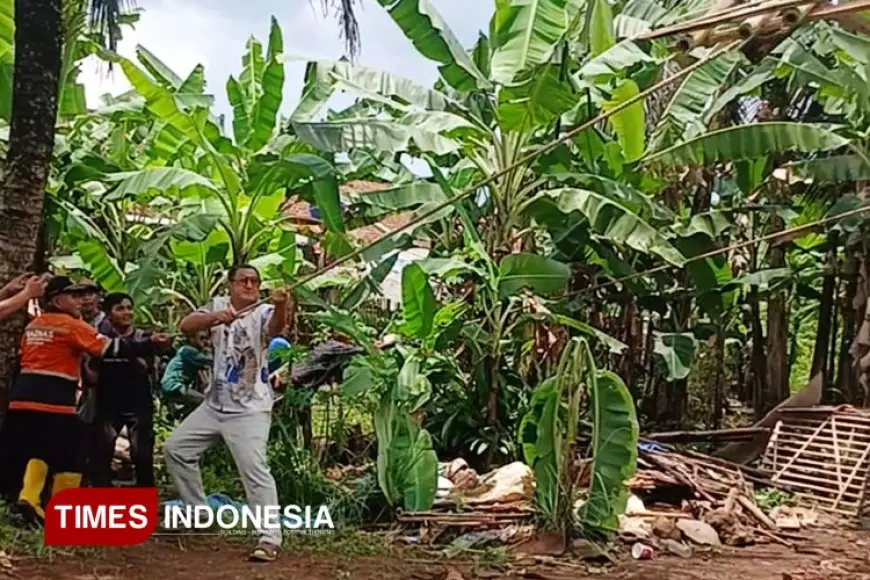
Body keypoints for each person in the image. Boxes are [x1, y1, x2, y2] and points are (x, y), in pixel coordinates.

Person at [0, 276, 170, 525]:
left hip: (22, 400)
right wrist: (149, 344)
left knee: (37, 451)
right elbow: (109, 349)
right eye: (73, 296)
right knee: (74, 455)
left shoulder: (35, 325)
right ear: (58, 300)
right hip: (53, 401)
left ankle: (28, 499)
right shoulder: (71, 325)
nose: (80, 301)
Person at [164, 264, 289, 562]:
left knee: (254, 469)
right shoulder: (218, 306)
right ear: (230, 285)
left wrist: (282, 305)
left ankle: (270, 538)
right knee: (176, 449)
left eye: (254, 281)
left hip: (250, 410)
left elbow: (276, 330)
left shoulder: (263, 312)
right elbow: (187, 325)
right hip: (214, 405)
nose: (249, 285)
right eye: (243, 280)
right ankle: (198, 513)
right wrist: (215, 318)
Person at [88, 293, 160, 488]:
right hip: (107, 404)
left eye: (129, 308)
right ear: (108, 314)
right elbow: (92, 374)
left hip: (139, 404)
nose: (127, 312)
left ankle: (146, 503)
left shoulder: (143, 337)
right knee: (101, 455)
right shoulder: (100, 340)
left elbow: (144, 367)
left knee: (142, 455)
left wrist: (125, 350)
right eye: (120, 308)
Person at [160, 329, 212, 406]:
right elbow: (210, 361)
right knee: (206, 403)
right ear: (192, 339)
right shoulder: (188, 351)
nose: (205, 341)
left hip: (169, 387)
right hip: (174, 386)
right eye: (201, 338)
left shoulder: (188, 352)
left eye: (207, 339)